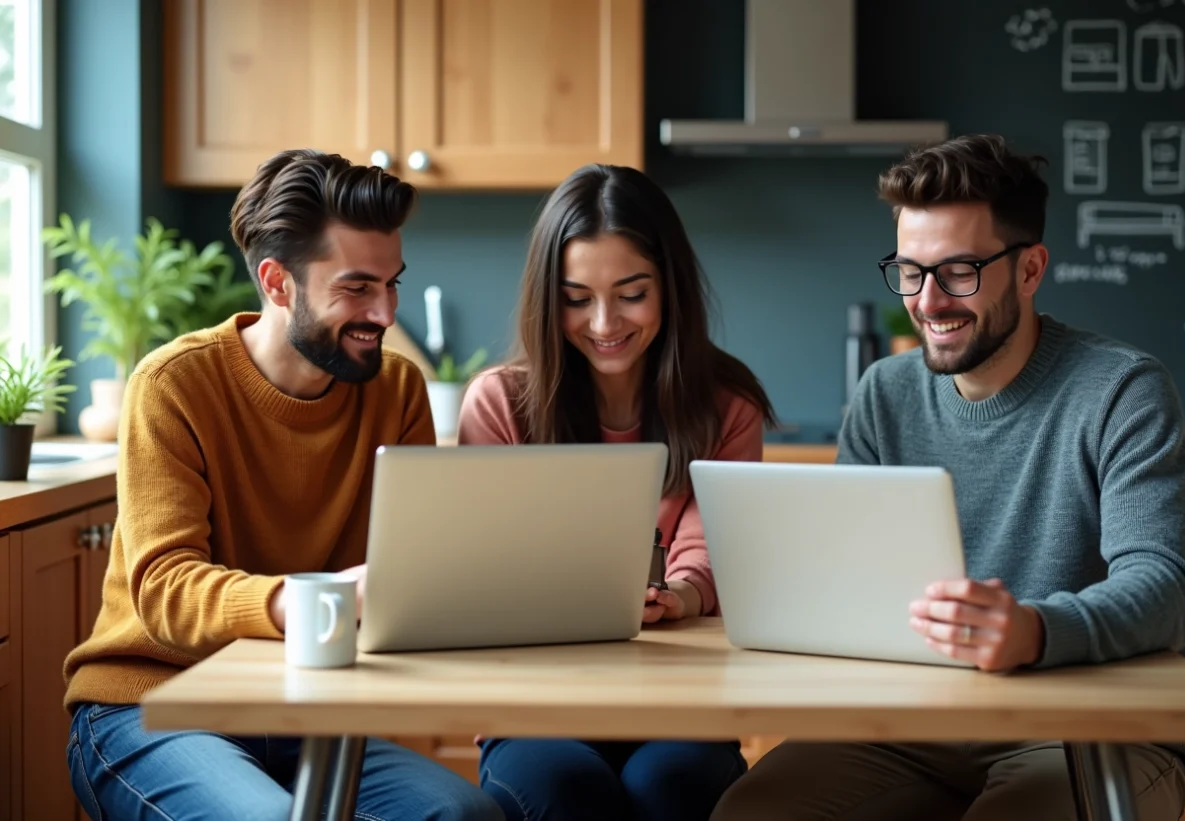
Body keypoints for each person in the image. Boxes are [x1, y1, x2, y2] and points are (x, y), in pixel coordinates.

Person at [710, 133, 1185, 820]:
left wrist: (1034, 629)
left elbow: (1167, 591)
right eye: (911, 272)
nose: (929, 301)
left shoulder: (1123, 389)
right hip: (911, 724)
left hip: (1085, 728)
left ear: (1030, 270)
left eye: (960, 270)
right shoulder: (885, 393)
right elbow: (843, 583)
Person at [61, 148, 503, 821]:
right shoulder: (172, 385)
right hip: (148, 704)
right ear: (277, 282)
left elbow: (418, 569)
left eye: (393, 285)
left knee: (463, 814)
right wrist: (308, 602)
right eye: (357, 288)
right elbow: (165, 589)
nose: (385, 314)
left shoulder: (397, 389)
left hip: (305, 711)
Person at [456, 163, 777, 821]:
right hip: (534, 702)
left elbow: (709, 551)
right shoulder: (500, 403)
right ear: (549, 298)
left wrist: (677, 596)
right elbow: (484, 569)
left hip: (681, 697)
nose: (604, 322)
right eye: (577, 297)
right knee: (564, 788)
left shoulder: (726, 405)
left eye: (631, 293)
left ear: (670, 288)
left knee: (674, 781)